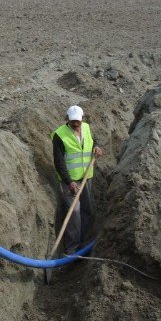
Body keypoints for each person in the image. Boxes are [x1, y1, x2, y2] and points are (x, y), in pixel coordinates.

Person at [52, 105, 103, 256]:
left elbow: (91, 142)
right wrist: (69, 182)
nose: (75, 124)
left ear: (82, 119)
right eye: (72, 121)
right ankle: (71, 250)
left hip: (87, 177)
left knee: (87, 210)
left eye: (78, 122)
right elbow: (59, 162)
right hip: (70, 181)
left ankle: (85, 244)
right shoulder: (59, 135)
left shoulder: (86, 128)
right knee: (74, 214)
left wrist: (96, 148)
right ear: (66, 119)